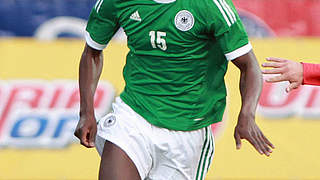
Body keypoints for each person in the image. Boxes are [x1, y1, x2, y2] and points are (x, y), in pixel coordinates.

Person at [74, 0, 274, 179]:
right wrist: (86, 112)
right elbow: (92, 51)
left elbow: (249, 66)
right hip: (133, 115)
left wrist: (247, 114)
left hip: (188, 130)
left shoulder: (211, 5)